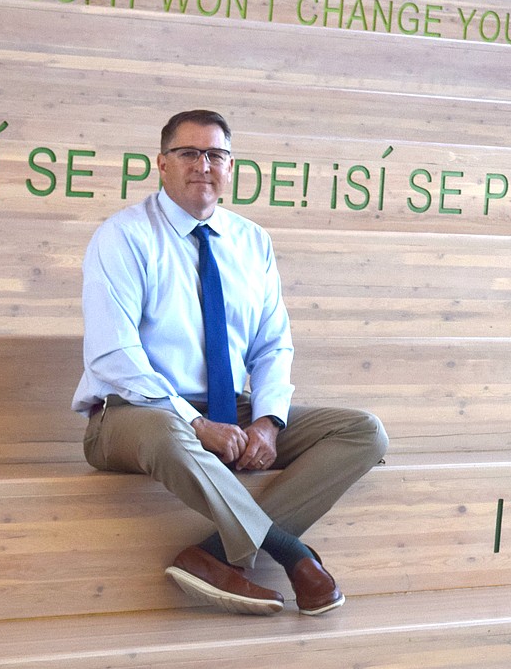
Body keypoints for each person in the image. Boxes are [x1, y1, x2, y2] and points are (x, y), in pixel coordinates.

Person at [72, 109, 388, 616]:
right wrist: (196, 423)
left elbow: (272, 345)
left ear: (230, 166)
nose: (203, 164)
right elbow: (115, 354)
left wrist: (266, 421)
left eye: (215, 154)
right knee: (164, 431)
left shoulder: (251, 241)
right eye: (188, 153)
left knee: (362, 432)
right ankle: (292, 553)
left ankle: (212, 556)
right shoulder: (123, 236)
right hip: (129, 415)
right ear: (162, 163)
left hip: (229, 410)